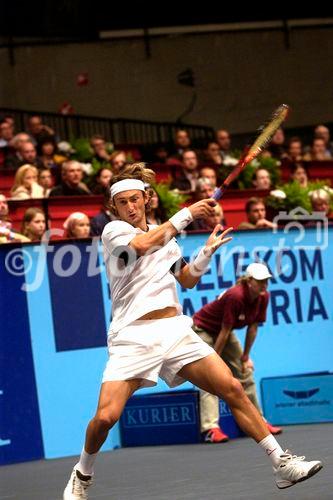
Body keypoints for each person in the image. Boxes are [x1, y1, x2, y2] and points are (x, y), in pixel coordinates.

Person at [63, 163, 322, 499]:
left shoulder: (166, 239)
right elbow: (141, 246)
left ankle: (280, 462)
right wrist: (187, 213)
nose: (130, 206)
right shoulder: (114, 233)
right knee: (105, 417)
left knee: (231, 387)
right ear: (114, 207)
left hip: (174, 330)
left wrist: (203, 255)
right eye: (123, 202)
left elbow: (185, 278)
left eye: (135, 200)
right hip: (132, 336)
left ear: (147, 200)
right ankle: (83, 474)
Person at [193, 262, 282, 443]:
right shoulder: (236, 296)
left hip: (226, 332)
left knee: (245, 372)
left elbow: (253, 328)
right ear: (249, 281)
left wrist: (245, 357)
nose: (264, 285)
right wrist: (214, 361)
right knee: (210, 376)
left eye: (266, 281)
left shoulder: (264, 296)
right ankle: (211, 429)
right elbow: (224, 331)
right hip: (203, 328)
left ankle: (259, 422)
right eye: (260, 281)